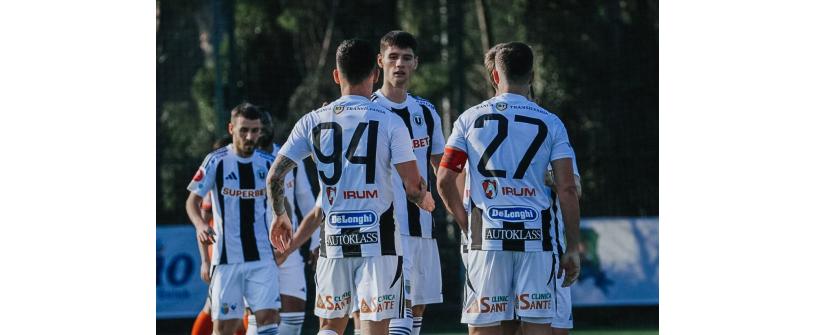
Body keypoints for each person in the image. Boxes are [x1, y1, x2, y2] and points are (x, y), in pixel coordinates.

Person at [266, 38, 434, 335]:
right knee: (374, 328)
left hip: (333, 240)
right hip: (379, 241)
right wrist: (425, 199)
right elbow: (412, 186)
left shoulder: (312, 121)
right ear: (376, 74)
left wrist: (280, 214)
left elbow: (276, 175)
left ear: (336, 75)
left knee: (330, 326)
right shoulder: (391, 122)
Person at [436, 42, 581, 335]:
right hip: (537, 240)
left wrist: (466, 224)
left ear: (494, 76)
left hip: (487, 239)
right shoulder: (551, 123)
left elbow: (444, 179)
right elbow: (567, 188)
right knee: (538, 327)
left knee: (484, 328)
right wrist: (573, 247)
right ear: (532, 76)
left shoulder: (468, 119)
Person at [371, 30, 446, 335]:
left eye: (406, 58)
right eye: (392, 57)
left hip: (422, 227)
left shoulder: (426, 112)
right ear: (380, 62)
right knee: (395, 307)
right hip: (386, 229)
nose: (399, 64)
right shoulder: (368, 111)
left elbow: (441, 167)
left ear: (416, 63)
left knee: (416, 307)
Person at [185, 103, 282, 335]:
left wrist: (282, 229)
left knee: (269, 318)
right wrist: (200, 225)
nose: (250, 136)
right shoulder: (216, 161)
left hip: (262, 258)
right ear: (231, 128)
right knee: (224, 328)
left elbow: (279, 204)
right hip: (227, 260)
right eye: (244, 130)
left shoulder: (267, 163)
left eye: (255, 130)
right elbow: (192, 201)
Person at [258, 110, 318, 335]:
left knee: (294, 318)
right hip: (258, 252)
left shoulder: (288, 158)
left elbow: (307, 200)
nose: (260, 133)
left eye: (264, 127)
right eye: (255, 129)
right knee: (261, 318)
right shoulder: (242, 163)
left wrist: (314, 242)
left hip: (288, 248)